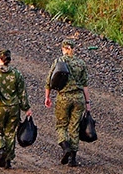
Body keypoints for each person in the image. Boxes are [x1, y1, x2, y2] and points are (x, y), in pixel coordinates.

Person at [0, 49, 31, 169]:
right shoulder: (16, 73)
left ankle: (1, 149)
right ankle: (8, 160)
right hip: (14, 108)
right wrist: (26, 108)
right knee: (10, 133)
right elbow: (22, 93)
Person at [44, 38, 89, 167]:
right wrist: (88, 103)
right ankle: (73, 159)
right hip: (78, 97)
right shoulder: (81, 63)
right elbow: (85, 85)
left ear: (63, 49)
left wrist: (47, 97)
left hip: (63, 97)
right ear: (73, 49)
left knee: (61, 125)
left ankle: (65, 147)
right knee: (74, 126)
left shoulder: (59, 61)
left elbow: (49, 81)